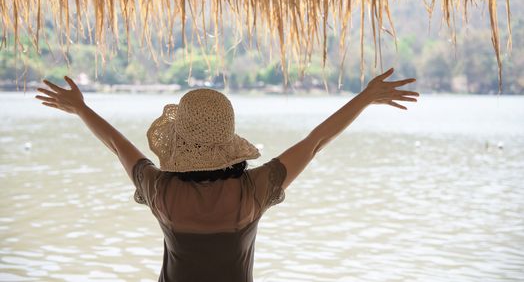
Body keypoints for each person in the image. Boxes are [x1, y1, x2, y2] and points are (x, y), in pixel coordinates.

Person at [34, 67, 418, 281]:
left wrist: (82, 109)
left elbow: (118, 145)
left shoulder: (162, 192)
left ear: (178, 146)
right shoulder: (253, 191)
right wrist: (365, 98)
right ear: (228, 142)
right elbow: (316, 141)